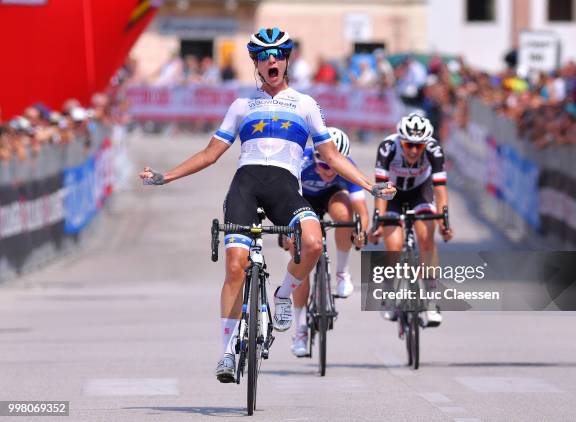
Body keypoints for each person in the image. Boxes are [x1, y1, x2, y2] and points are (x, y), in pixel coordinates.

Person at [139, 27, 396, 383]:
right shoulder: (242, 106)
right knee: (234, 266)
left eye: (277, 54)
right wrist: (166, 176)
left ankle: (284, 293)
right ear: (255, 64)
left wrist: (370, 185)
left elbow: (331, 155)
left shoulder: (305, 104)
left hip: (284, 188)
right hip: (245, 186)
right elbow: (211, 154)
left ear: (287, 60)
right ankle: (227, 353)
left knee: (313, 242)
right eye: (263, 56)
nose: (271, 60)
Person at [284, 127, 369, 357]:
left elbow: (360, 206)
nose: (329, 171)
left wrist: (361, 229)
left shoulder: (346, 164)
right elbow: (283, 201)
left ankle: (342, 273)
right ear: (316, 157)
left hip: (333, 197)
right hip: (302, 201)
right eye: (324, 166)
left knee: (344, 215)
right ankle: (300, 329)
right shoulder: (300, 162)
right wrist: (286, 233)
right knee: (299, 260)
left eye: (334, 167)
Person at [369, 113, 453, 326]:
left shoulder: (434, 149)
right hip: (392, 192)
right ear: (401, 141)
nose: (414, 150)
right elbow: (380, 186)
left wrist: (445, 220)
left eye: (419, 146)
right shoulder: (388, 147)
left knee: (426, 239)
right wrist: (377, 221)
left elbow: (440, 188)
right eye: (409, 145)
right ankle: (388, 292)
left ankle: (432, 298)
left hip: (420, 192)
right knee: (394, 246)